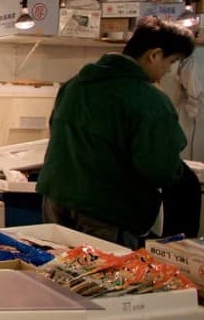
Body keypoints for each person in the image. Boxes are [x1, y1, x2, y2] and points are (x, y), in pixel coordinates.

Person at [37, 17, 196, 248]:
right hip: (106, 212)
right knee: (102, 280)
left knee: (56, 275)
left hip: (55, 201)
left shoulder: (74, 85)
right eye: (171, 62)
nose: (168, 71)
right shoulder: (149, 99)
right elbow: (161, 169)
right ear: (154, 54)